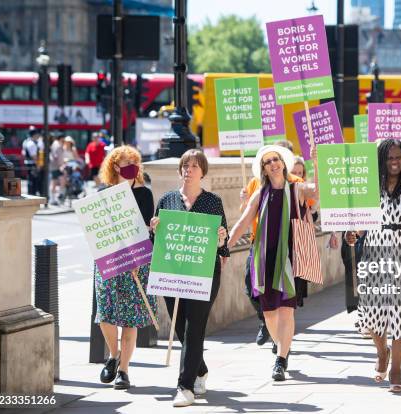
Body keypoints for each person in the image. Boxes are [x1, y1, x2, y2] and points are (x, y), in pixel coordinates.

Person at [346, 139, 401, 393]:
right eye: (389, 158)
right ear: (381, 161)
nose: (395, 162)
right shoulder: (370, 188)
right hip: (376, 252)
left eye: (399, 158)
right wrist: (352, 233)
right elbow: (360, 222)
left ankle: (396, 367)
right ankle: (381, 351)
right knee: (374, 315)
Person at [228, 144, 319, 382]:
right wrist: (224, 246)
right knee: (269, 313)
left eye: (276, 159)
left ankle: (280, 359)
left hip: (291, 257)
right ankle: (282, 346)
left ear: (283, 162)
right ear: (264, 169)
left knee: (287, 311)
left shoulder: (297, 187)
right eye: (268, 162)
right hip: (264, 259)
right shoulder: (260, 193)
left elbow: (317, 192)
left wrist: (316, 163)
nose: (273, 164)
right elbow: (242, 222)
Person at [150, 149, 229, 407]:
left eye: (195, 166)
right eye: (185, 165)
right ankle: (200, 369)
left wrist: (221, 238)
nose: (189, 170)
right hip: (171, 273)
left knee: (194, 326)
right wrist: (154, 229)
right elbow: (157, 241)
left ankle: (185, 387)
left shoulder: (213, 201)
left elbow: (222, 243)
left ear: (202, 172)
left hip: (203, 274)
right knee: (180, 326)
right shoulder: (167, 200)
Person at [95, 145, 158, 390]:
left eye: (134, 161)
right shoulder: (103, 193)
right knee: (105, 315)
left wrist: (136, 257)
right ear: (114, 166)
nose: (130, 166)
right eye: (125, 162)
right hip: (108, 260)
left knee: (130, 319)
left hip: (135, 261)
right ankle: (114, 354)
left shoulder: (144, 194)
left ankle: (123, 371)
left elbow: (143, 228)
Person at [22, 127, 42, 195]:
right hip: (32, 164)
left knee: (31, 180)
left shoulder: (27, 141)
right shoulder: (32, 144)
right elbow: (34, 157)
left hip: (30, 164)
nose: (38, 136)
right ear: (34, 135)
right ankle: (32, 194)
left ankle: (31, 193)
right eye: (37, 134)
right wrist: (38, 165)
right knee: (33, 181)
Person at [49, 133, 65, 205]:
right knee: (57, 182)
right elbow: (57, 157)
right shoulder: (58, 145)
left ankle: (54, 198)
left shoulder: (54, 144)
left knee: (56, 181)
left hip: (54, 166)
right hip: (57, 166)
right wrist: (61, 165)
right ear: (60, 138)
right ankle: (58, 196)